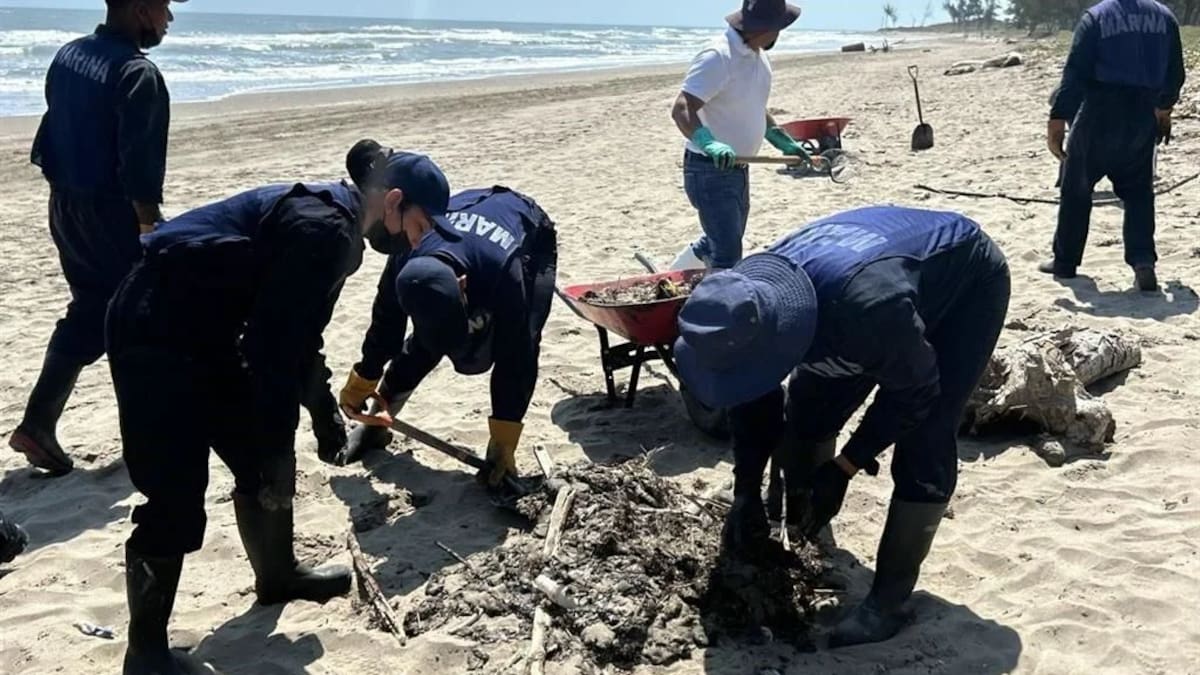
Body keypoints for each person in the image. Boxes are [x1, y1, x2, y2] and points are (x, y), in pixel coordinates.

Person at [105, 145, 448, 674]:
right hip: (153, 327)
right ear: (394, 200)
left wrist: (319, 409)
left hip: (213, 333)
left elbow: (296, 334)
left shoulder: (339, 228)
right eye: (417, 226)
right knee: (176, 489)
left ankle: (277, 574)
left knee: (254, 455)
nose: (411, 242)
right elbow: (272, 350)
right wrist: (280, 440)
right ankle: (145, 653)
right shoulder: (326, 230)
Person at [674, 206, 1010, 647]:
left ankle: (887, 604)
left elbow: (915, 392)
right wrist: (745, 490)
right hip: (862, 284)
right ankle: (802, 528)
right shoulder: (751, 303)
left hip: (964, 286)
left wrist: (845, 467)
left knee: (925, 436)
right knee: (810, 410)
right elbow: (753, 398)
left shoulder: (867, 312)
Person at [11, 0, 184, 475]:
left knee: (91, 307)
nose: (169, 18)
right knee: (138, 319)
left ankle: (38, 422)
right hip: (111, 214)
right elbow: (140, 163)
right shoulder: (136, 74)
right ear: (139, 9)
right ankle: (146, 441)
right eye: (164, 7)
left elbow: (51, 131)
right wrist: (149, 227)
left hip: (65, 204)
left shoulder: (69, 55)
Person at [335, 153, 557, 486]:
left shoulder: (505, 273)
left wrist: (503, 441)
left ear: (462, 285)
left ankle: (500, 451)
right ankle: (375, 425)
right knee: (426, 342)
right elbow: (386, 325)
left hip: (527, 231)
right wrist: (362, 381)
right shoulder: (404, 255)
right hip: (467, 218)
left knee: (521, 330)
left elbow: (518, 357)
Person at [1043, 0, 1186, 291]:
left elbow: (1075, 73)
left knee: (1076, 187)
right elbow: (1175, 72)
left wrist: (1057, 119)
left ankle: (1065, 263)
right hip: (1143, 112)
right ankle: (1143, 261)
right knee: (1138, 193)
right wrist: (1164, 108)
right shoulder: (1165, 17)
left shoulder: (1096, 17)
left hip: (1100, 110)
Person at [668, 0, 814, 271]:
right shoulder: (718, 56)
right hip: (708, 168)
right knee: (728, 253)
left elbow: (753, 106)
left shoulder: (758, 55)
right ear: (766, 27)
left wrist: (780, 139)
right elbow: (681, 108)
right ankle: (714, 311)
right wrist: (708, 142)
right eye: (780, 27)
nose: (780, 34)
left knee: (725, 237)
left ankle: (673, 275)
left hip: (737, 167)